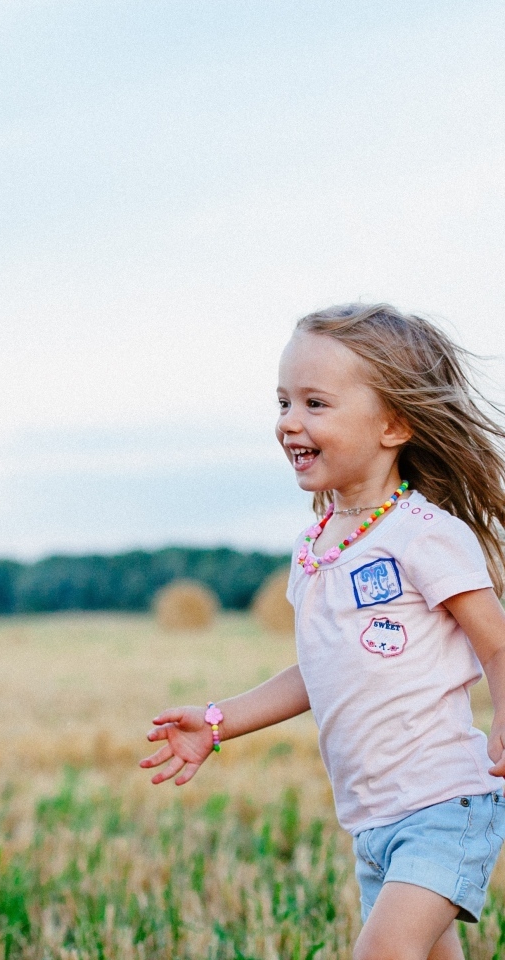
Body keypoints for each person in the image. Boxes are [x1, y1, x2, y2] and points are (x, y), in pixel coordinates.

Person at [140, 303, 505, 960]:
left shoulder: (426, 536)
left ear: (394, 423)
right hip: (373, 821)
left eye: (315, 403)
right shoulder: (315, 549)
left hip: (445, 806)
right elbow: (320, 668)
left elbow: (498, 643)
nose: (288, 422)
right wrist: (219, 721)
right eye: (283, 402)